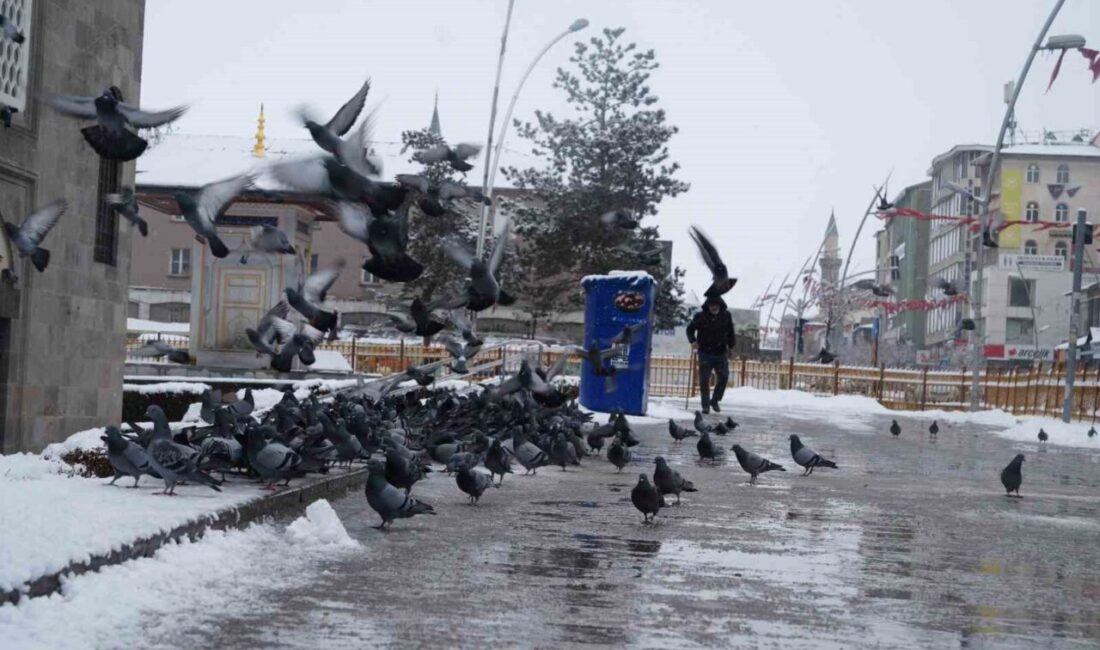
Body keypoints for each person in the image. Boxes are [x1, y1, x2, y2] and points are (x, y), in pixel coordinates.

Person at [686, 295, 736, 413]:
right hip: (705, 352)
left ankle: (715, 400)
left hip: (721, 352)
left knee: (724, 376)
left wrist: (731, 346)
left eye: (716, 305)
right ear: (708, 306)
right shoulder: (700, 316)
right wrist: (693, 341)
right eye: (711, 306)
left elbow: (730, 332)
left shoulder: (726, 315)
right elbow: (690, 329)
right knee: (704, 380)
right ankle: (705, 405)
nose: (713, 308)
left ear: (720, 305)